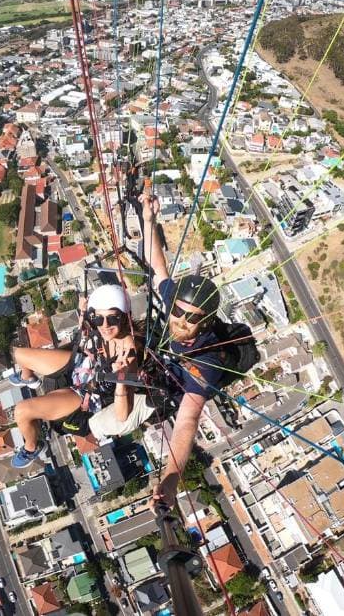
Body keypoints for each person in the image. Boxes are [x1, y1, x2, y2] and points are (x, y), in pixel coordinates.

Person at [8, 284, 154, 468]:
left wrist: (121, 381)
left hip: (86, 395)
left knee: (22, 411)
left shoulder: (128, 355)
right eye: (99, 318)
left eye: (112, 318)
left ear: (125, 317)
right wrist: (83, 314)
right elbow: (86, 338)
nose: (105, 325)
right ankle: (28, 378)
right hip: (81, 366)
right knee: (19, 354)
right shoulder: (97, 326)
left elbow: (122, 415)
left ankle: (33, 446)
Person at [140, 194, 225, 510]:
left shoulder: (207, 360)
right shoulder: (174, 304)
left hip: (171, 387)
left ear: (205, 323)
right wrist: (148, 220)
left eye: (192, 317)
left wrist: (171, 478)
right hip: (157, 364)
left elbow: (188, 419)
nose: (180, 320)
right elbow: (158, 265)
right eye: (177, 310)